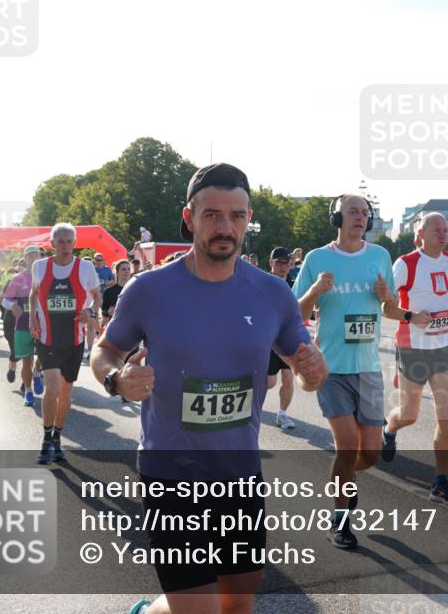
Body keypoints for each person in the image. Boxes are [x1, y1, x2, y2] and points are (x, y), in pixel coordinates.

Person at [92, 163, 327, 614]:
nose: (225, 227)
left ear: (247, 219)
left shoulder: (273, 293)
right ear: (190, 217)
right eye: (212, 215)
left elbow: (311, 375)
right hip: (171, 478)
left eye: (237, 216)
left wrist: (314, 369)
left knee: (235, 605)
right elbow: (105, 350)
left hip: (240, 479)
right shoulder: (148, 289)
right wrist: (115, 379)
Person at [295, 194, 400, 549]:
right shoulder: (317, 259)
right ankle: (339, 519)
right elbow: (299, 313)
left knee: (369, 453)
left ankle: (346, 481)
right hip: (331, 368)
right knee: (347, 446)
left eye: (365, 213)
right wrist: (314, 290)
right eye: (352, 212)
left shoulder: (380, 256)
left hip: (368, 367)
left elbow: (392, 309)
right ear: (337, 218)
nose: (360, 217)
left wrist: (387, 296)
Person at [381, 212, 448, 506]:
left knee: (446, 417)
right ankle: (389, 429)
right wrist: (411, 316)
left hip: (444, 346)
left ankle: (439, 482)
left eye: (445, 229)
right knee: (409, 415)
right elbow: (386, 307)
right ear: (420, 233)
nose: (443, 233)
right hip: (412, 347)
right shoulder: (406, 264)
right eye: (436, 229)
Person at [29, 224, 101, 464]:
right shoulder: (40, 266)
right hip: (47, 337)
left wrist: (90, 312)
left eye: (69, 241)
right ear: (52, 244)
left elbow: (96, 295)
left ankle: (58, 435)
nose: (65, 246)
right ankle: (46, 438)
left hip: (74, 339)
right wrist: (32, 316)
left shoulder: (86, 267)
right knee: (52, 387)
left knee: (66, 392)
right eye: (60, 241)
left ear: (74, 243)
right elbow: (33, 293)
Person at [2, 247, 43, 405]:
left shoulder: (48, 276)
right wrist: (12, 306)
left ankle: (38, 373)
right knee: (27, 360)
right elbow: (6, 300)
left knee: (45, 357)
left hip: (44, 324)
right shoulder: (18, 278)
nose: (33, 258)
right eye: (30, 255)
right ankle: (28, 391)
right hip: (24, 324)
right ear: (25, 258)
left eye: (36, 255)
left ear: (40, 257)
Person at [267, 247, 297, 429]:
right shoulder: (264, 282)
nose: (283, 266)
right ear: (271, 263)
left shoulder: (295, 283)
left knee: (288, 377)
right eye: (279, 262)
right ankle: (251, 410)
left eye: (287, 263)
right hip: (268, 340)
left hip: (289, 339)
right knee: (269, 383)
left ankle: (282, 414)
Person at [2, 260, 29, 382]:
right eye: (21, 266)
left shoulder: (39, 280)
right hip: (12, 319)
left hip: (28, 319)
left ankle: (26, 382)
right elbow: (3, 299)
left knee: (28, 354)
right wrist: (13, 305)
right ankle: (12, 366)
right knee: (15, 351)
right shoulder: (12, 281)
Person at [100, 258, 132, 328]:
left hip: (132, 328)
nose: (126, 271)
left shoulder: (136, 289)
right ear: (117, 272)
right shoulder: (109, 291)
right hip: (115, 327)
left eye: (128, 269)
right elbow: (104, 312)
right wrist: (108, 312)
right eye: (123, 269)